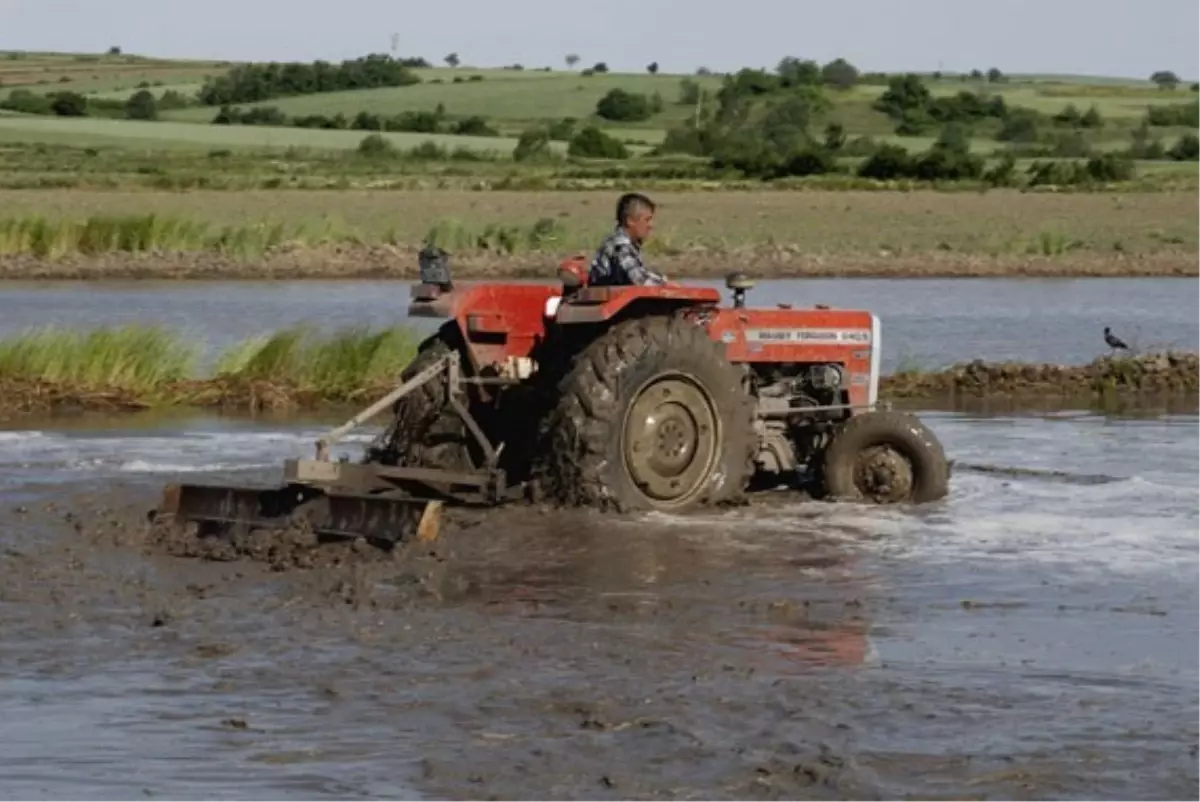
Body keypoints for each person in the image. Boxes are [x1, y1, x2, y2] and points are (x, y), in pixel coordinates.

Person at [588, 192, 668, 286]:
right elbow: (640, 281)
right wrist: (667, 286)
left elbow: (641, 273)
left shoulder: (627, 244)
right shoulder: (620, 247)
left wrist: (663, 280)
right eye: (647, 220)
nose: (651, 225)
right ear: (630, 221)